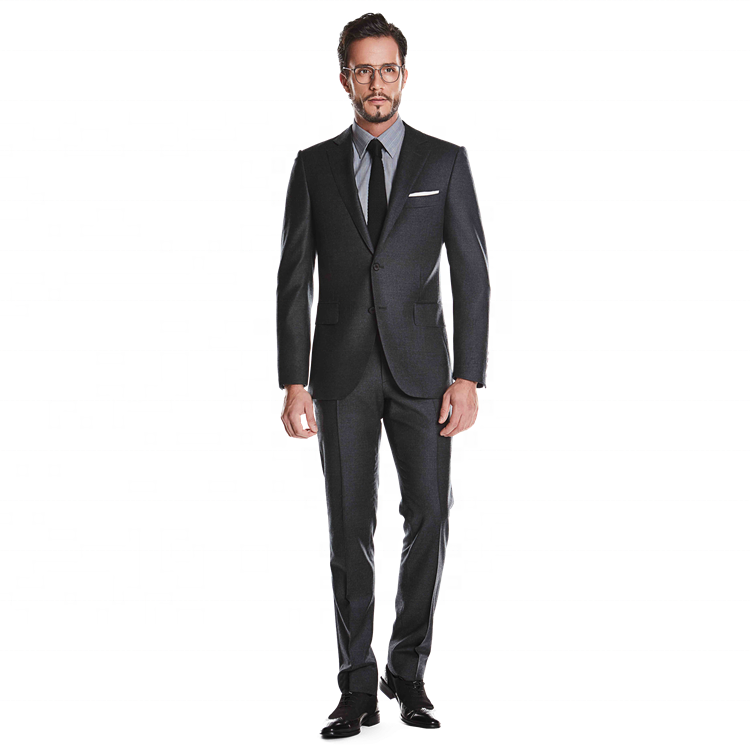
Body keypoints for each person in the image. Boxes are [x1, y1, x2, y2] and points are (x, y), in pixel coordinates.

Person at [276, 12, 490, 739]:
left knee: (429, 516)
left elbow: (473, 275)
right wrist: (294, 380)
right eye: (363, 69)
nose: (377, 82)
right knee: (348, 530)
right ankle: (356, 684)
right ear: (345, 78)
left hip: (424, 374)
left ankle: (408, 668)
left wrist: (469, 376)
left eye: (388, 69)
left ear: (404, 75)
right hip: (339, 375)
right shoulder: (312, 166)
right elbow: (292, 282)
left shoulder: (444, 161)